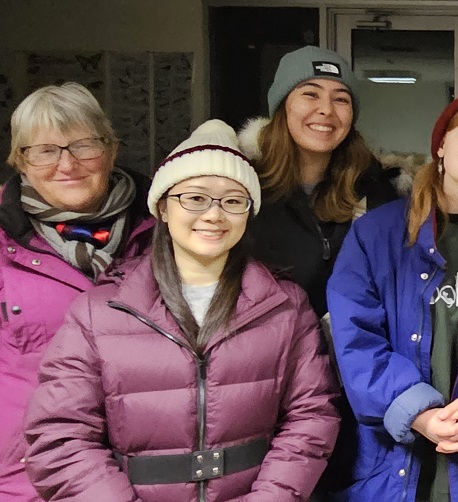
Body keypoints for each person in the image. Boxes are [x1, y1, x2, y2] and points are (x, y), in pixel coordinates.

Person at [24, 120, 339, 501]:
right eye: (195, 198)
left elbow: (311, 416)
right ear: (163, 208)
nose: (213, 215)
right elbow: (60, 436)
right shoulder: (99, 312)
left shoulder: (284, 308)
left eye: (233, 201)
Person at [326, 93, 458, 502]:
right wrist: (418, 412)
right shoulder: (375, 234)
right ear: (441, 146)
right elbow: (355, 340)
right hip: (389, 456)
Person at [0, 82, 155, 502]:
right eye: (45, 150)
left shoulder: (165, 225)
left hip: (149, 468)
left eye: (84, 145)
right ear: (21, 161)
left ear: (111, 149)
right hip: (29, 478)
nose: (66, 164)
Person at [237, 45, 400, 317]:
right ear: (283, 107)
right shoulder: (242, 188)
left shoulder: (379, 191)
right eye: (310, 94)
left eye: (341, 99)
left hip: (350, 352)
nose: (326, 110)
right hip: (271, 350)